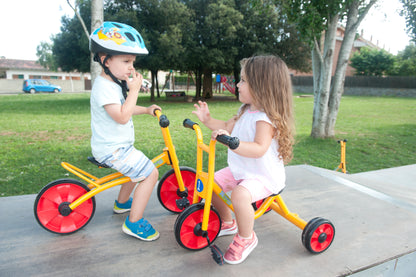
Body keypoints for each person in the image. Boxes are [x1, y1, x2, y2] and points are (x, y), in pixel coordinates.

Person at [192, 55, 295, 264]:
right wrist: (208, 120)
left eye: (243, 81)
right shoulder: (245, 110)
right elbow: (227, 127)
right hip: (243, 170)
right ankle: (228, 222)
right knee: (208, 182)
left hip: (263, 176)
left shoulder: (265, 118)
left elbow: (259, 149)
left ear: (262, 86)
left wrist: (234, 143)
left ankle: (246, 237)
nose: (237, 85)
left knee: (239, 196)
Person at [89, 21, 160, 241]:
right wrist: (135, 91)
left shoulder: (111, 85)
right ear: (105, 59)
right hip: (113, 150)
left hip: (118, 146)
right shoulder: (104, 87)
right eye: (126, 61)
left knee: (137, 169)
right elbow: (121, 117)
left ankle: (122, 204)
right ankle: (134, 222)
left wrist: (146, 109)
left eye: (133, 62)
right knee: (151, 173)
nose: (132, 67)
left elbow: (123, 109)